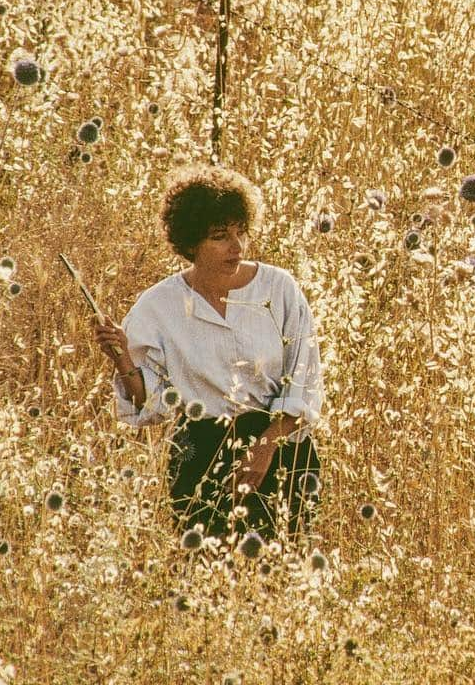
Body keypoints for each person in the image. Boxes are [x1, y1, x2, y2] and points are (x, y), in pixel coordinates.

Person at [94, 164, 322, 539]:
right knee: (204, 580)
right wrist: (121, 359)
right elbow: (152, 403)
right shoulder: (157, 307)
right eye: (220, 236)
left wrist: (264, 448)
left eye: (240, 232)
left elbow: (304, 381)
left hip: (282, 451)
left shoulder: (279, 290)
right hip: (200, 455)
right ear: (190, 243)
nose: (237, 247)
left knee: (281, 576)